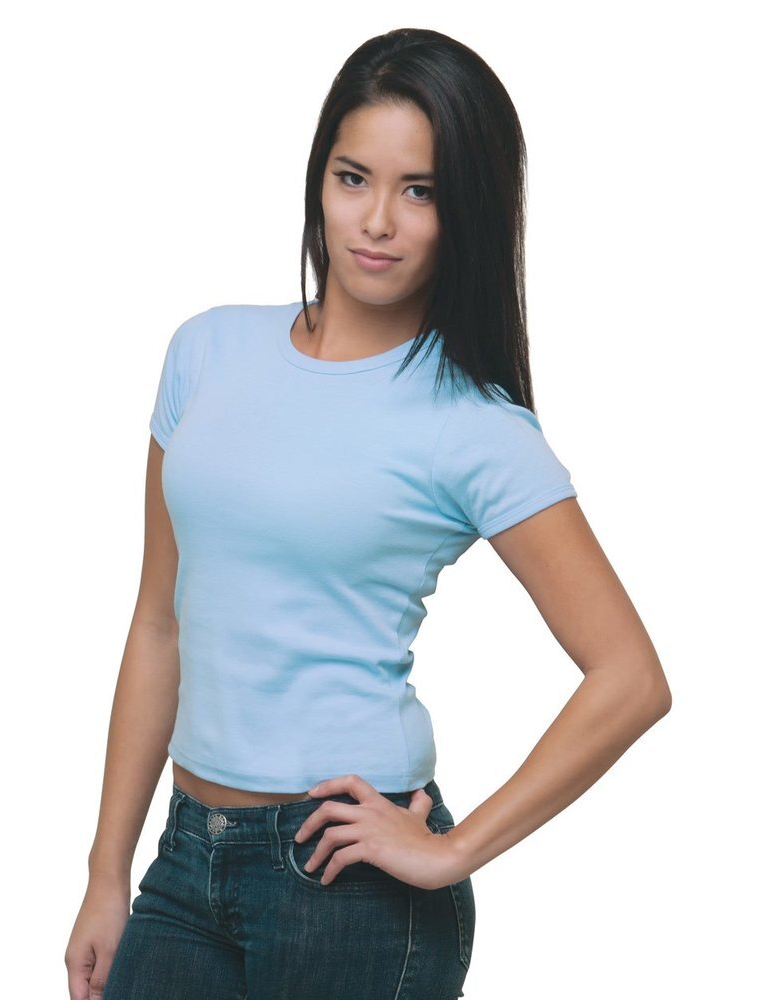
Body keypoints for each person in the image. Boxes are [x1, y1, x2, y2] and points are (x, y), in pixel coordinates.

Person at [64, 25, 672, 1000]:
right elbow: (158, 623)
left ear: (465, 210)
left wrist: (450, 849)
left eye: (419, 191)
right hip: (184, 859)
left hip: (347, 882)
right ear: (320, 178)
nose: (377, 220)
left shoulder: (473, 425)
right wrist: (106, 872)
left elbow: (630, 677)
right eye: (354, 178)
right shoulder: (206, 354)